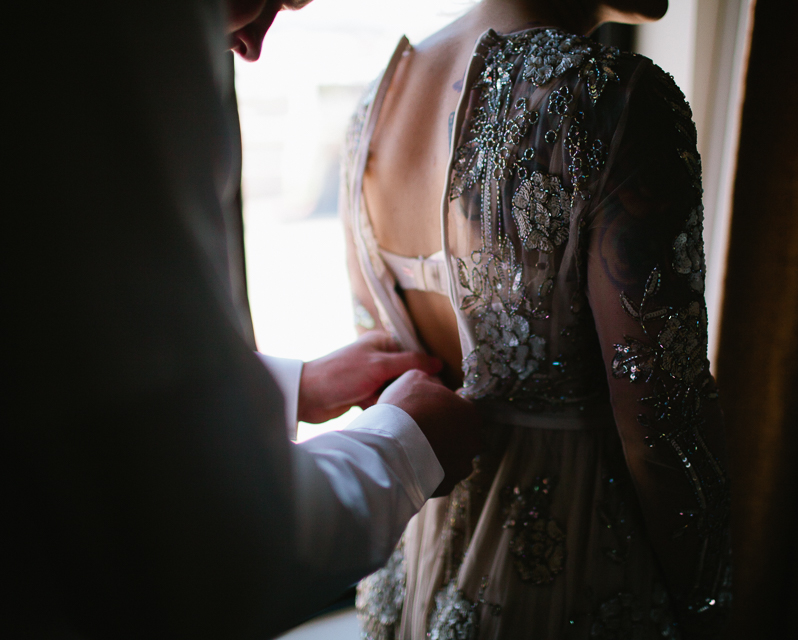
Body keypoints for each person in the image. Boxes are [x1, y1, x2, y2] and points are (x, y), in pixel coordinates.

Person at [9, 1, 480, 637]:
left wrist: (292, 387)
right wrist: (405, 449)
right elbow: (205, 541)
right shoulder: (103, 33)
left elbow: (67, 354)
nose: (253, 46)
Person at [340, 0, 732, 637]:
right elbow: (664, 420)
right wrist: (710, 603)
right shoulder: (616, 103)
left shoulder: (378, 101)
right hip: (578, 578)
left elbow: (389, 366)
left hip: (417, 570)